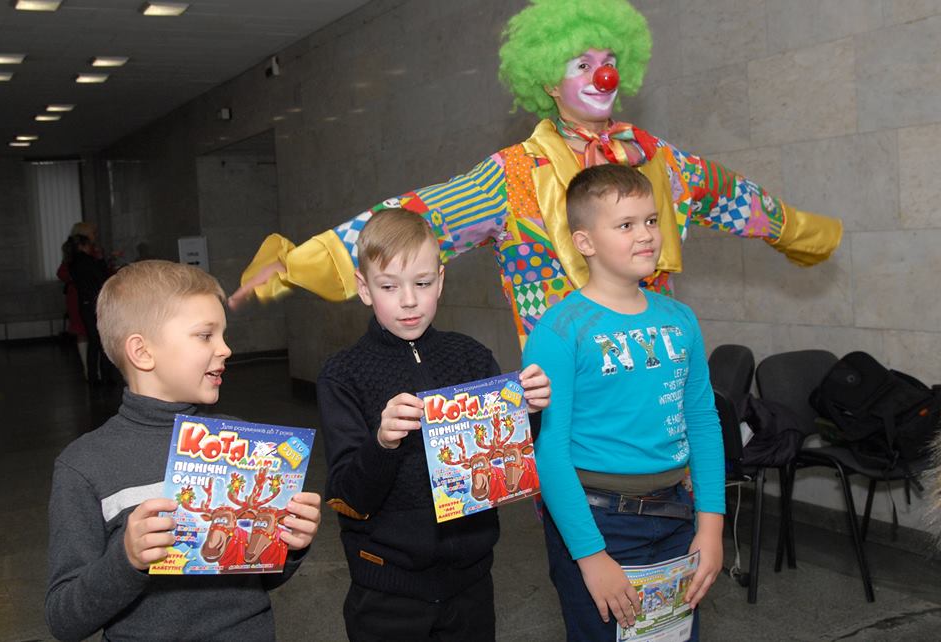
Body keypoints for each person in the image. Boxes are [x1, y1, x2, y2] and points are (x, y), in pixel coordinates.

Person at [229, 0, 842, 351]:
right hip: (567, 393)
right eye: (582, 65)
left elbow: (735, 196)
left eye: (609, 63)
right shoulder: (515, 176)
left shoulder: (656, 159)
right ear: (548, 80)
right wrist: (295, 266)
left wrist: (805, 234)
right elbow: (412, 217)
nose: (603, 77)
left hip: (656, 378)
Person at [45, 260, 322, 642]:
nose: (226, 349)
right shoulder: (84, 466)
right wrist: (126, 559)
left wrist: (289, 545)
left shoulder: (242, 446)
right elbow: (64, 619)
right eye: (205, 335)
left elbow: (259, 579)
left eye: (223, 334)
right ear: (142, 352)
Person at [316, 209, 550, 641]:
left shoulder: (471, 357)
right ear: (364, 289)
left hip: (471, 582)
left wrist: (528, 413)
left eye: (422, 283)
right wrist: (381, 444)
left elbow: (505, 462)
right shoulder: (343, 375)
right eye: (389, 286)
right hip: (387, 589)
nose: (409, 300)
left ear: (440, 281)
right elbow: (348, 497)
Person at [521, 164, 724, 640]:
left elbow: (702, 421)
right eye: (626, 225)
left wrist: (711, 526)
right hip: (597, 521)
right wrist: (590, 555)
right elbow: (549, 452)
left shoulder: (680, 319)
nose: (646, 235)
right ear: (585, 242)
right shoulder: (560, 330)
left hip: (677, 515)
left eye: (651, 220)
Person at [67, 225, 116, 384]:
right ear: (82, 246)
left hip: (84, 303)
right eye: (88, 245)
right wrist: (101, 260)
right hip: (94, 303)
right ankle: (106, 376)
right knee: (101, 341)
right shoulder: (88, 261)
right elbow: (102, 277)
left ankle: (93, 376)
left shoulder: (72, 262)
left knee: (93, 342)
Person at [57, 222, 93, 379]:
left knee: (88, 331)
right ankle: (88, 368)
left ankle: (91, 368)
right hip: (78, 295)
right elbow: (62, 273)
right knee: (81, 330)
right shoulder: (73, 252)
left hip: (85, 294)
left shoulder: (88, 250)